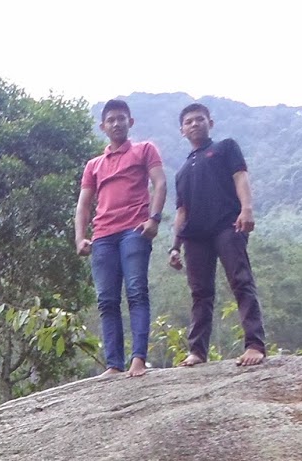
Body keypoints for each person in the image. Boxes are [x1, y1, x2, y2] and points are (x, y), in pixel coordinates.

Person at [167, 103, 268, 367]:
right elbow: (181, 211)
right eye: (188, 121)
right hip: (195, 236)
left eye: (200, 119)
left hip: (227, 225)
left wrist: (246, 209)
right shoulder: (182, 171)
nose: (194, 124)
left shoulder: (225, 148)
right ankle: (197, 351)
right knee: (200, 293)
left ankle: (255, 344)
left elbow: (240, 177)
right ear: (182, 130)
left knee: (240, 280)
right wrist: (174, 246)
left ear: (210, 123)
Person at [75, 99, 166, 378]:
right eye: (111, 120)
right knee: (106, 300)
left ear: (131, 122)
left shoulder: (144, 150)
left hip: (134, 231)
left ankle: (138, 360)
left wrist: (154, 219)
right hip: (103, 236)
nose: (116, 123)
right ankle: (114, 364)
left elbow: (160, 182)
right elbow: (83, 204)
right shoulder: (94, 165)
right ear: (103, 126)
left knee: (137, 292)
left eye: (121, 118)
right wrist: (80, 237)